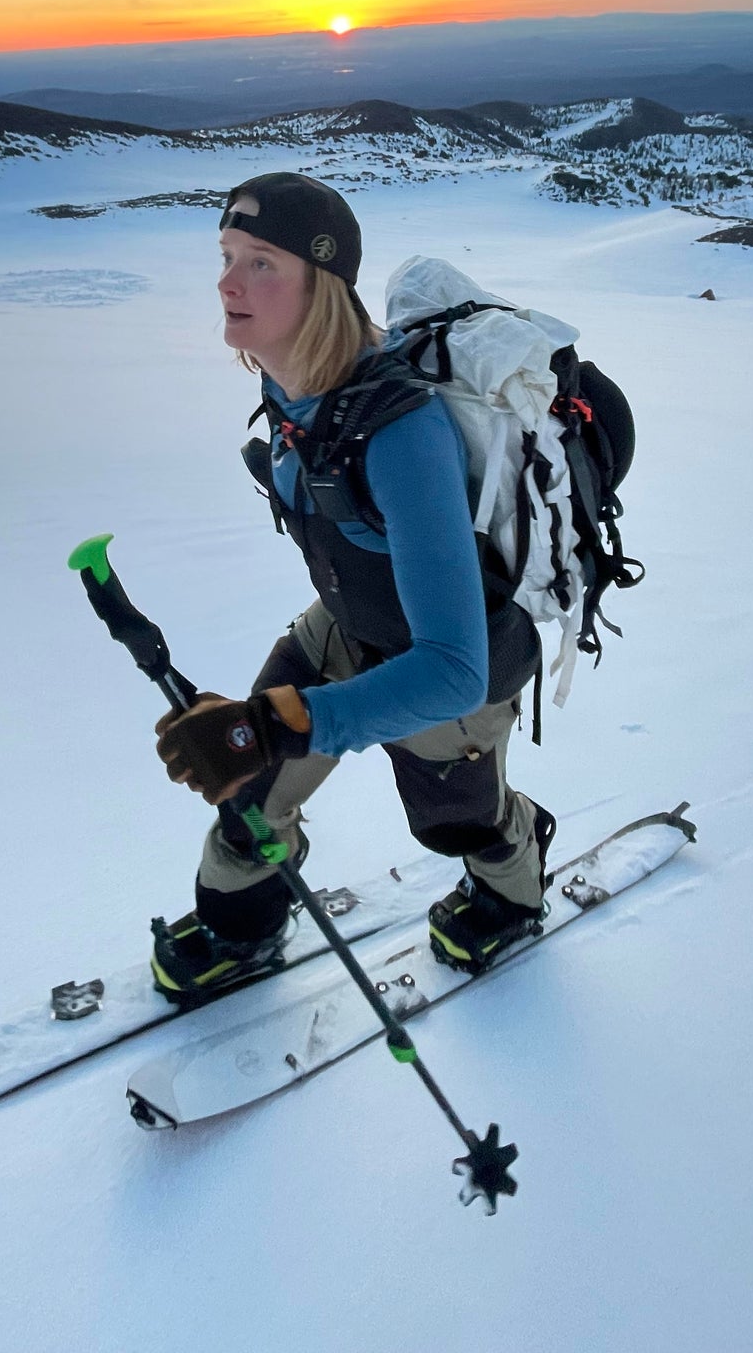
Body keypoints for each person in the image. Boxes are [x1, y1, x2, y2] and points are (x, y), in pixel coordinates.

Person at [149, 172, 555, 1001]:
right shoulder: (285, 379)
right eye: (227, 255)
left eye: (262, 261)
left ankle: (512, 887)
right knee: (247, 787)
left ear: (322, 283)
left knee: (460, 822)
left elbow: (452, 669)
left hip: (451, 670)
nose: (228, 281)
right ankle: (244, 923)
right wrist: (266, 734)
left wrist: (286, 720)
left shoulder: (403, 432)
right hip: (344, 620)